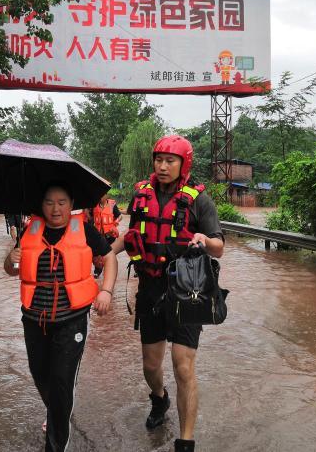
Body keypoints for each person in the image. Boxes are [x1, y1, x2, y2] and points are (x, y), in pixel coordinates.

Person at [111, 135, 224, 452]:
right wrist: (102, 256)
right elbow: (132, 235)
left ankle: (185, 441)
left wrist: (204, 239)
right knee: (150, 365)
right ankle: (159, 399)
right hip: (150, 286)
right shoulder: (141, 196)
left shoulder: (199, 200)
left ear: (183, 164)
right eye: (158, 160)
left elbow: (220, 248)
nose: (162, 166)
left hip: (189, 287)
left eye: (169, 160)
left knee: (183, 366)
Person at [4, 181, 117, 452]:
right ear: (40, 206)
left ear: (71, 204)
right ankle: (57, 411)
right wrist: (11, 258)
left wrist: (107, 292)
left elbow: (110, 257)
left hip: (72, 320)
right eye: (49, 202)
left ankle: (55, 444)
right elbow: (11, 270)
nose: (55, 209)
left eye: (62, 202)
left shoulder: (85, 231)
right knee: (40, 374)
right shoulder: (28, 231)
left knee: (62, 381)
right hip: (34, 319)